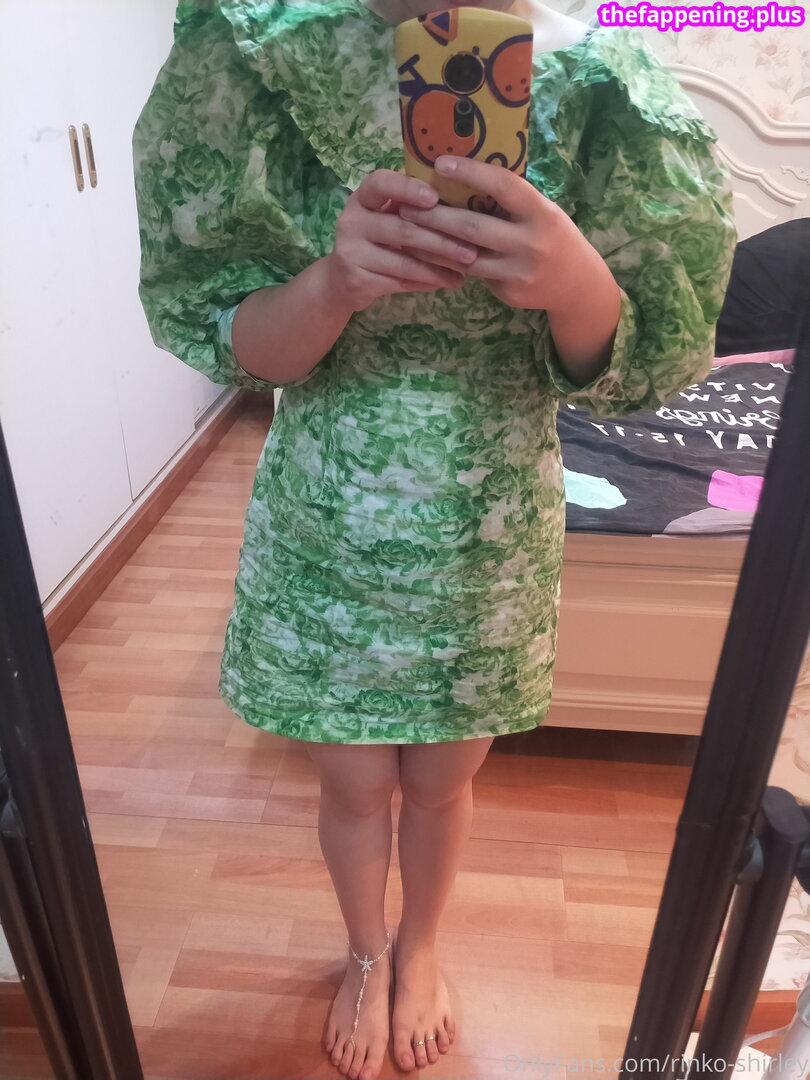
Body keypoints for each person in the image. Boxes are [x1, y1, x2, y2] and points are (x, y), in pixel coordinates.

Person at [132, 1, 737, 1077]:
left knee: (443, 785)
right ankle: (367, 954)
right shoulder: (270, 57)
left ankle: (420, 950)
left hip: (486, 542)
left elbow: (640, 364)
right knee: (354, 788)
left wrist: (574, 281)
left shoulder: (606, 83)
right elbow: (239, 345)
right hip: (327, 529)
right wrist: (334, 280)